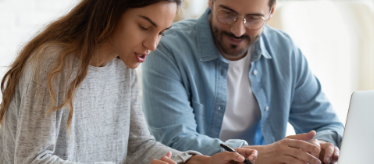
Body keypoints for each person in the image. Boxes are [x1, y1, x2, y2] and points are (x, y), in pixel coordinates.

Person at [0, 0, 258, 163]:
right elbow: (33, 158)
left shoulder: (123, 66)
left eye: (161, 33)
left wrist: (194, 161)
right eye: (145, 27)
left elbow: (137, 145)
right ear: (111, 11)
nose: (153, 44)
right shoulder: (53, 63)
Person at [142, 0, 344, 163]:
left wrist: (318, 146)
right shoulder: (168, 48)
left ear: (271, 11)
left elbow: (329, 126)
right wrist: (263, 155)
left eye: (253, 19)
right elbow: (174, 141)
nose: (238, 30)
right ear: (211, 2)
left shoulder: (285, 51)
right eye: (227, 14)